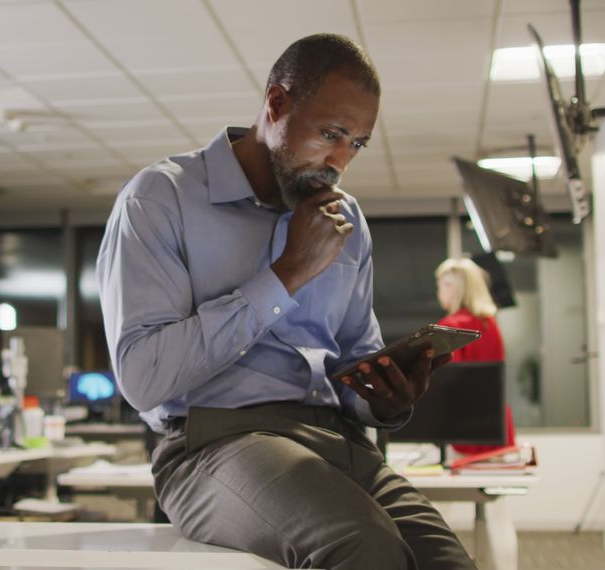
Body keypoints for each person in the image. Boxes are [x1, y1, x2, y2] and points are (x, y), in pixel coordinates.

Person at [97, 34, 474, 569]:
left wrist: (384, 401)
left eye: (358, 143)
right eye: (331, 134)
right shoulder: (160, 199)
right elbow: (143, 378)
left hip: (335, 439)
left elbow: (352, 362)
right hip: (211, 444)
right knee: (365, 548)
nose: (341, 160)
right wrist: (288, 273)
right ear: (276, 104)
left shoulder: (347, 219)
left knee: (448, 560)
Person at [435, 258, 516, 455]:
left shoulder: (451, 326)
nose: (438, 293)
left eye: (440, 287)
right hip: (498, 423)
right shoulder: (490, 323)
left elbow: (449, 382)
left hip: (467, 427)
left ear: (451, 287)